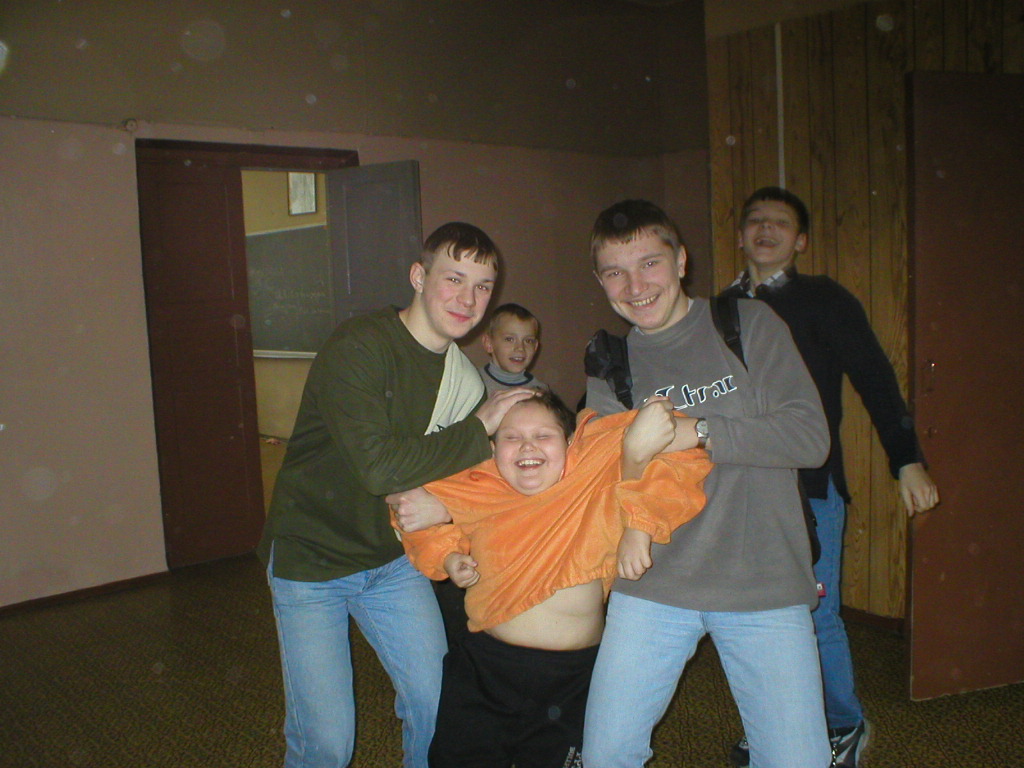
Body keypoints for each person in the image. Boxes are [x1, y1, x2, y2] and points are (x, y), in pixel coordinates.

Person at [256, 221, 534, 768]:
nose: (467, 299)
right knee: (326, 743)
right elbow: (380, 469)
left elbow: (463, 481)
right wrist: (478, 428)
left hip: (392, 559)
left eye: (482, 286)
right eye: (453, 278)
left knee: (437, 708)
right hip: (312, 559)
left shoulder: (463, 382)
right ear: (418, 277)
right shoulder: (359, 347)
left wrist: (449, 500)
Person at [580, 199, 833, 768]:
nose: (635, 286)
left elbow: (809, 437)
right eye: (615, 272)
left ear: (681, 261)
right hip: (654, 583)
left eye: (650, 263)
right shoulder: (611, 363)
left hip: (763, 580)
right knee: (606, 755)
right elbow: (603, 478)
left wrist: (697, 432)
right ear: (601, 282)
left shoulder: (747, 324)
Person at [720, 186, 940, 768]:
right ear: (740, 235)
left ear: (800, 241)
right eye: (756, 221)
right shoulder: (719, 310)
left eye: (781, 223)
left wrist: (905, 458)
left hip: (811, 491)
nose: (766, 229)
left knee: (815, 615)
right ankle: (773, 723)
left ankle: (842, 724)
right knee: (748, 619)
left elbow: (875, 377)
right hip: (739, 492)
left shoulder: (825, 300)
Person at [399, 390, 712, 768]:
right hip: (485, 668)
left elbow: (678, 451)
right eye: (511, 437)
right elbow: (408, 506)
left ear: (570, 442)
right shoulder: (478, 483)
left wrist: (640, 523)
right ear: (492, 449)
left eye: (543, 435)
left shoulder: (594, 467)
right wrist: (448, 555)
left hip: (573, 678)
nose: (527, 446)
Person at [479, 302, 548, 394]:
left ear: (535, 347)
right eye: (509, 339)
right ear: (489, 344)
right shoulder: (472, 383)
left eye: (528, 341)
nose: (520, 348)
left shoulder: (539, 392)